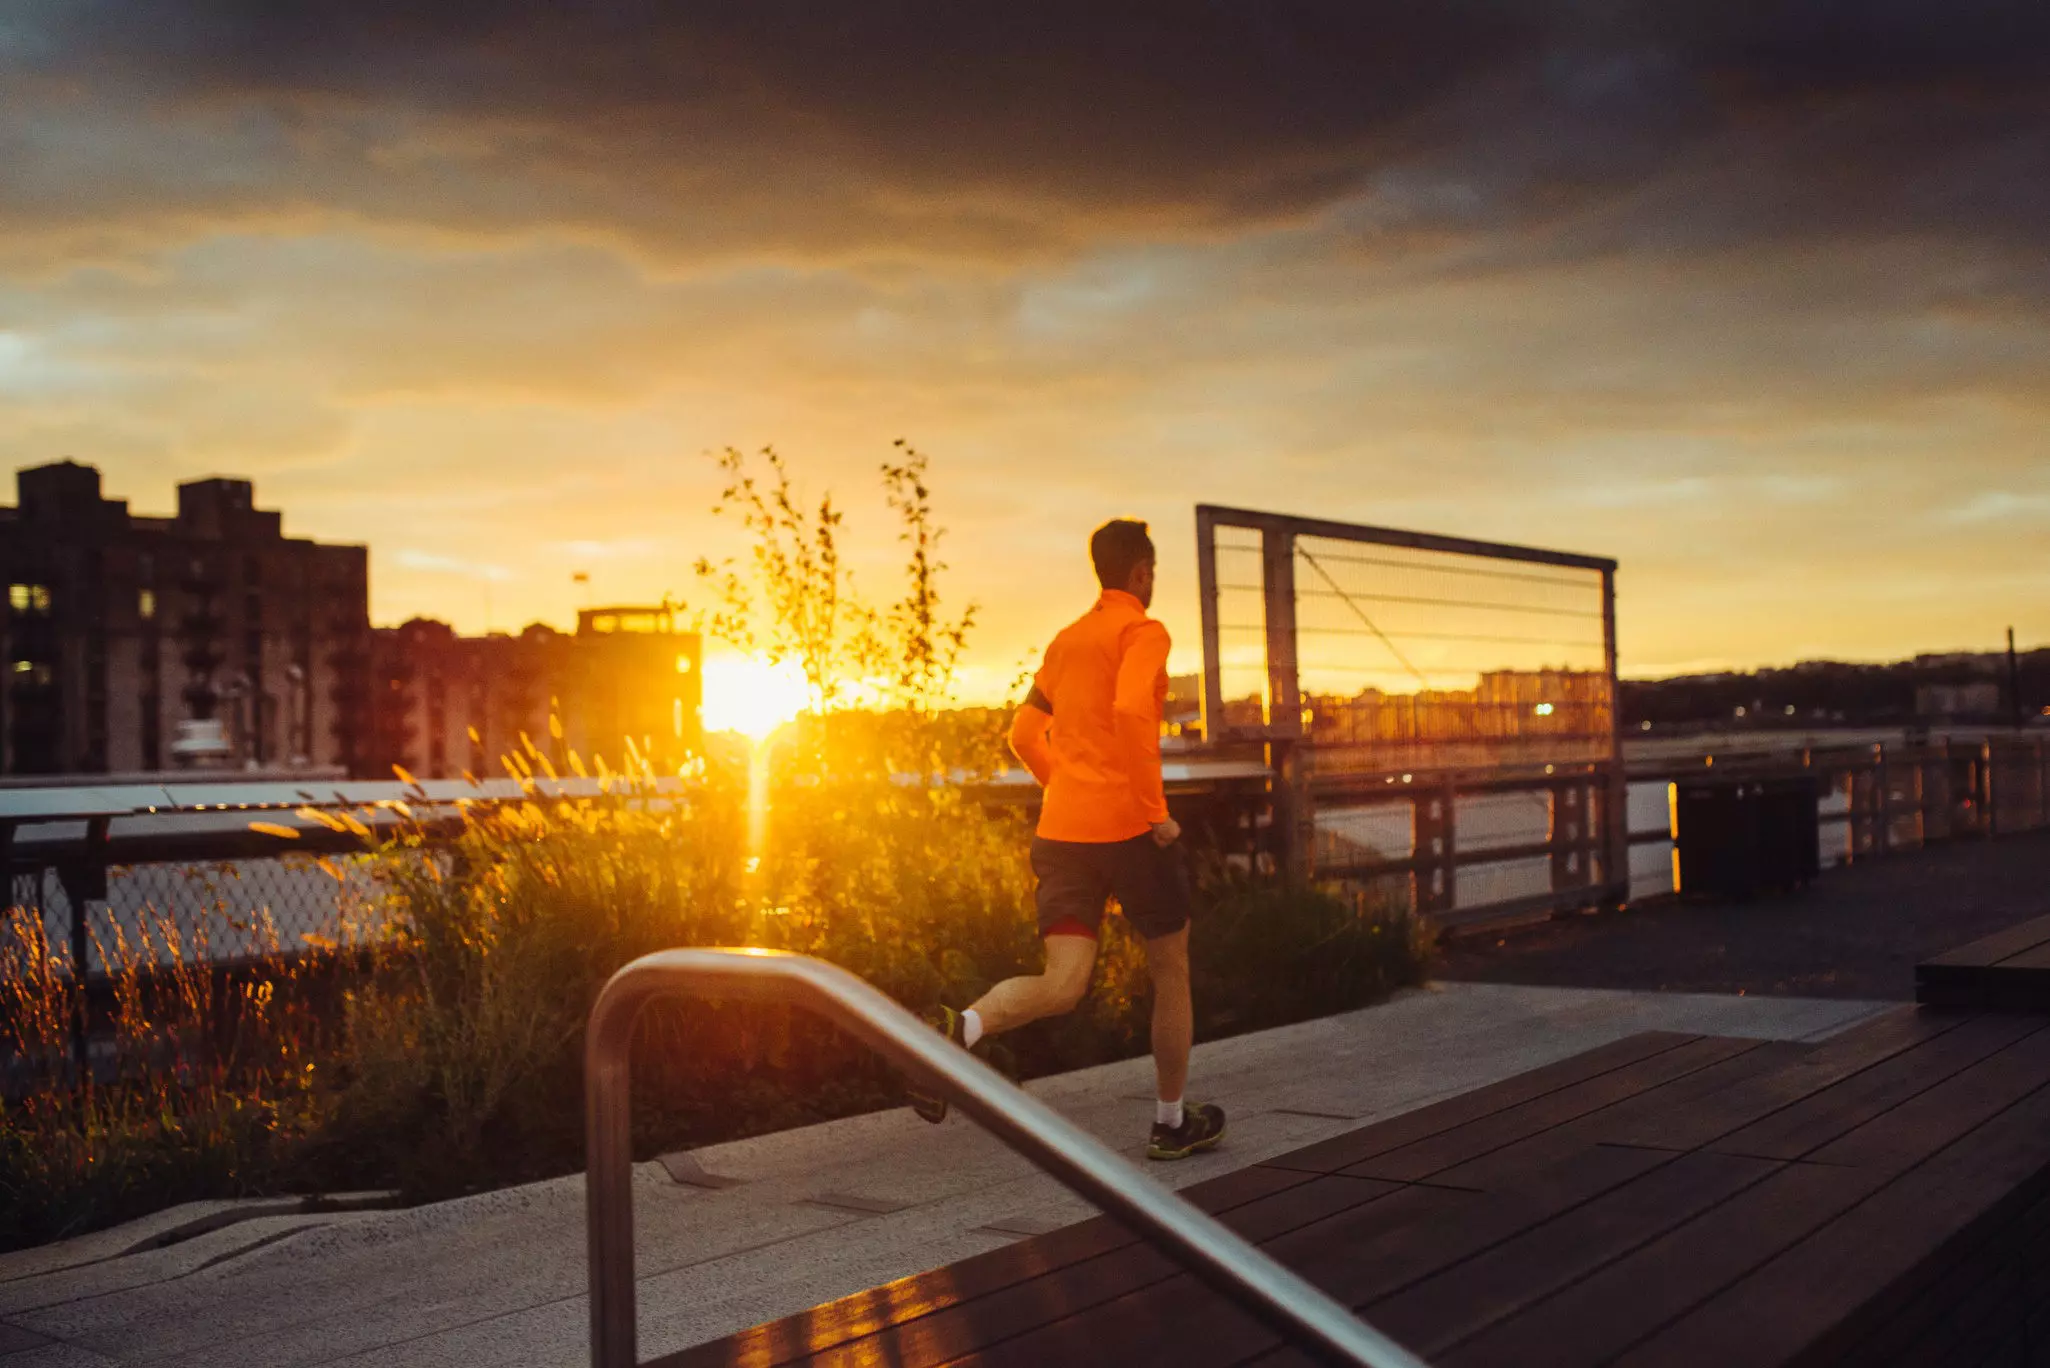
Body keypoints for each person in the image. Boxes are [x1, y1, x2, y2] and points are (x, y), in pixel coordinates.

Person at [911, 518, 1226, 1161]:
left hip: (1063, 833)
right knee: (1171, 973)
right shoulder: (1143, 631)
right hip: (1134, 834)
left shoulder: (1065, 642)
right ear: (1141, 574)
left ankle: (958, 1030)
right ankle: (1169, 1124)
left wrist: (1068, 789)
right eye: (1152, 573)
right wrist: (1153, 811)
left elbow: (1023, 736)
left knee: (1062, 984)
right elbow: (1134, 711)